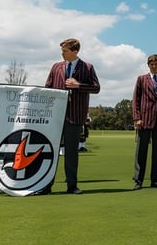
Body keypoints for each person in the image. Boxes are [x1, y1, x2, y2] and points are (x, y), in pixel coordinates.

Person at [40, 38, 100, 195]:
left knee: (72, 152)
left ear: (75, 52)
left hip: (74, 116)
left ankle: (72, 186)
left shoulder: (87, 67)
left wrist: (78, 85)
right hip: (55, 116)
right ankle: (46, 185)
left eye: (65, 51)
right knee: (51, 151)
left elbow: (96, 87)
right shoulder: (56, 67)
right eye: (62, 50)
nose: (62, 53)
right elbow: (47, 87)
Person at [132, 54, 157, 190]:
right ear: (148, 65)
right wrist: (137, 118)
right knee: (141, 151)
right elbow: (135, 100)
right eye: (151, 64)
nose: (154, 66)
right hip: (144, 120)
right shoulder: (141, 79)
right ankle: (138, 180)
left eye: (156, 64)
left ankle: (156, 180)